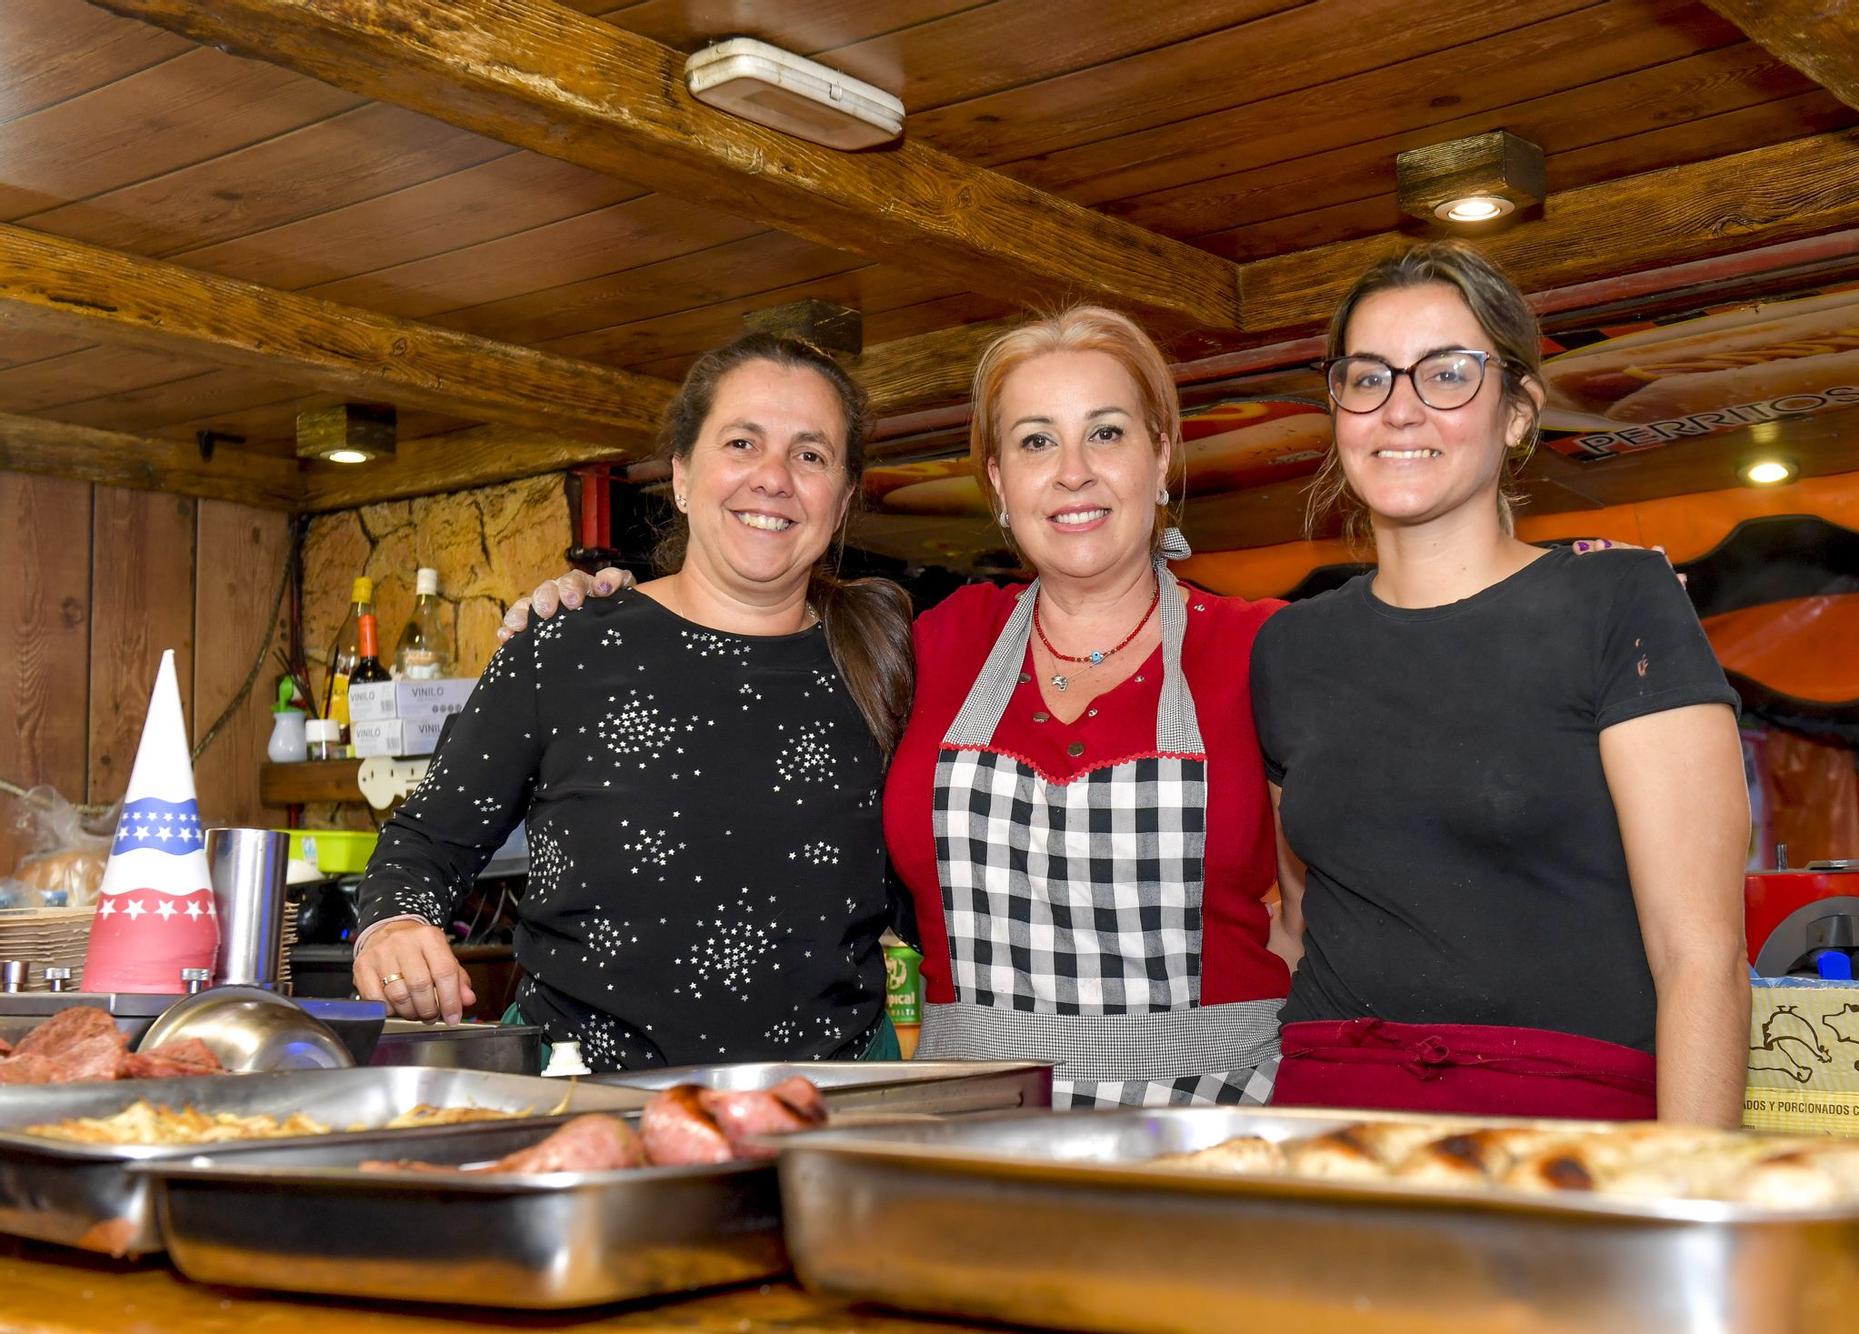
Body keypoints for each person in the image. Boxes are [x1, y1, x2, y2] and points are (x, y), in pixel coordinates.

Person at [533, 308, 1296, 1106]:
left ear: (1160, 454)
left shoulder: (1264, 650)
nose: (1073, 471)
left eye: (1105, 433)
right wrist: (606, 611)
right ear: (999, 479)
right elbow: (751, 637)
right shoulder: (929, 644)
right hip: (971, 1113)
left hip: (1210, 1115)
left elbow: (1317, 922)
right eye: (1036, 441)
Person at [1252, 242, 1750, 1125]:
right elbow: (1298, 921)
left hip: (1567, 1129)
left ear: (1517, 412)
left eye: (1446, 374)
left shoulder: (1619, 603)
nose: (1400, 411)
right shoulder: (1291, 646)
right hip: (1330, 1125)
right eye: (1367, 378)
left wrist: (1689, 1209)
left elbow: (1701, 959)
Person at [351, 332, 913, 1070]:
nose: (773, 477)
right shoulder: (566, 645)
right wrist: (394, 927)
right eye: (742, 443)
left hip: (829, 1113)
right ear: (681, 475)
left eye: (809, 455)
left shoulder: (889, 660)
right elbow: (423, 845)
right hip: (589, 1106)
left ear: (840, 502)